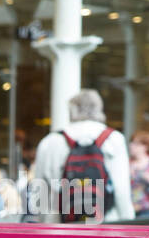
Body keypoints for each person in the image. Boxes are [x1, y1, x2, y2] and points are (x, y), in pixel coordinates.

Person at [30, 90, 133, 223]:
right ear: (99, 109)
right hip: (105, 224)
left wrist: (42, 224)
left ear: (71, 110)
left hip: (59, 225)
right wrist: (128, 222)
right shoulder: (114, 139)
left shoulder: (50, 141)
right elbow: (121, 189)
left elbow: (40, 192)